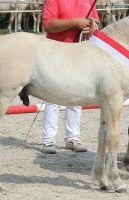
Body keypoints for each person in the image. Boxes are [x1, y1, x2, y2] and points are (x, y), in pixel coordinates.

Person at [41, 0, 100, 154]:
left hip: (79, 54)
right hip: (55, 53)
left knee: (76, 95)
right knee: (52, 97)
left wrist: (91, 29)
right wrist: (75, 22)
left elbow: (96, 22)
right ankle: (48, 140)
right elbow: (48, 24)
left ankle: (72, 137)